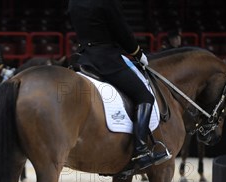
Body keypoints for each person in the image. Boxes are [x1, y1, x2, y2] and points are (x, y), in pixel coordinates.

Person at [68, 0, 171, 170]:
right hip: (106, 60)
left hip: (83, 57)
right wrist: (138, 53)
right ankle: (141, 151)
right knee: (144, 96)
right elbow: (121, 32)